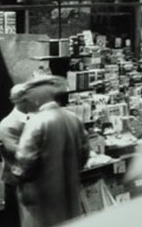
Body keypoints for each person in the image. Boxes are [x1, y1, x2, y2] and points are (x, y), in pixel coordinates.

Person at [12, 76, 90, 227]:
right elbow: (84, 154)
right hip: (70, 195)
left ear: (36, 99)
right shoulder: (73, 118)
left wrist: (18, 180)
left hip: (43, 200)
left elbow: (24, 162)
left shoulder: (36, 122)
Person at [0, 82, 35, 225]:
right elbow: (18, 153)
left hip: (30, 180)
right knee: (16, 220)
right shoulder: (8, 124)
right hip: (17, 181)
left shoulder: (31, 119)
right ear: (20, 100)